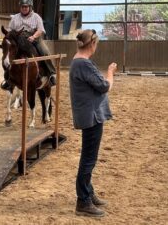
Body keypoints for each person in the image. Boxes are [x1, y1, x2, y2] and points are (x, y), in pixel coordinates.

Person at [69, 29, 117, 217]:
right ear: (93, 44)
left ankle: (88, 192)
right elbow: (104, 86)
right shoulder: (83, 64)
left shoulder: (80, 61)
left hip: (91, 114)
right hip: (92, 116)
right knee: (88, 159)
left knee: (89, 158)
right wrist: (110, 72)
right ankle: (83, 201)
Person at [0, 0, 57, 90]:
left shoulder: (36, 17)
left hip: (34, 37)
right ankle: (8, 79)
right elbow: (10, 30)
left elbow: (41, 30)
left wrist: (33, 37)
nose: (24, 8)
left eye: (26, 7)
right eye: (22, 7)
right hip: (19, 39)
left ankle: (51, 74)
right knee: (8, 55)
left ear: (30, 7)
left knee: (45, 51)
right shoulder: (15, 18)